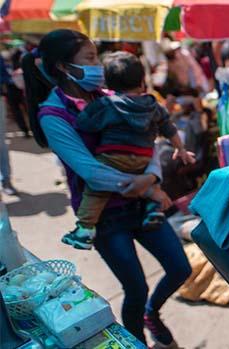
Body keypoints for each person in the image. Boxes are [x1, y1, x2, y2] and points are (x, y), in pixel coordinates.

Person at [21, 29, 191, 348]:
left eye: (97, 58)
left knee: (180, 267)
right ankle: (137, 341)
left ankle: (151, 314)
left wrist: (153, 178)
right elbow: (92, 174)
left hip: (140, 203)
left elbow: (147, 140)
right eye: (89, 59)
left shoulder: (108, 95)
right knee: (136, 289)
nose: (98, 66)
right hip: (105, 216)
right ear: (62, 66)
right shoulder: (53, 115)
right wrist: (149, 190)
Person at [62, 51, 195, 250]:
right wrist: (181, 149)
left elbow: (85, 124)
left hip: (113, 159)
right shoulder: (152, 105)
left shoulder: (105, 105)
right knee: (150, 180)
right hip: (143, 159)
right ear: (142, 82)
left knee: (96, 191)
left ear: (107, 85)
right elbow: (169, 128)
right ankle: (153, 211)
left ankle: (85, 229)